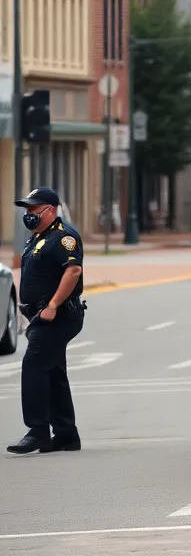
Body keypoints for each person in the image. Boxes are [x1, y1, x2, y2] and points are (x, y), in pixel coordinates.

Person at [6, 188, 86, 455]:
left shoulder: (63, 237)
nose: (28, 215)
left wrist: (52, 305)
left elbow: (73, 270)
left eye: (33, 209)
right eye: (27, 210)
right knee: (52, 372)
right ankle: (66, 435)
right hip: (41, 315)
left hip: (58, 315)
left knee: (33, 368)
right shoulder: (38, 237)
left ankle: (38, 431)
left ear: (49, 209)